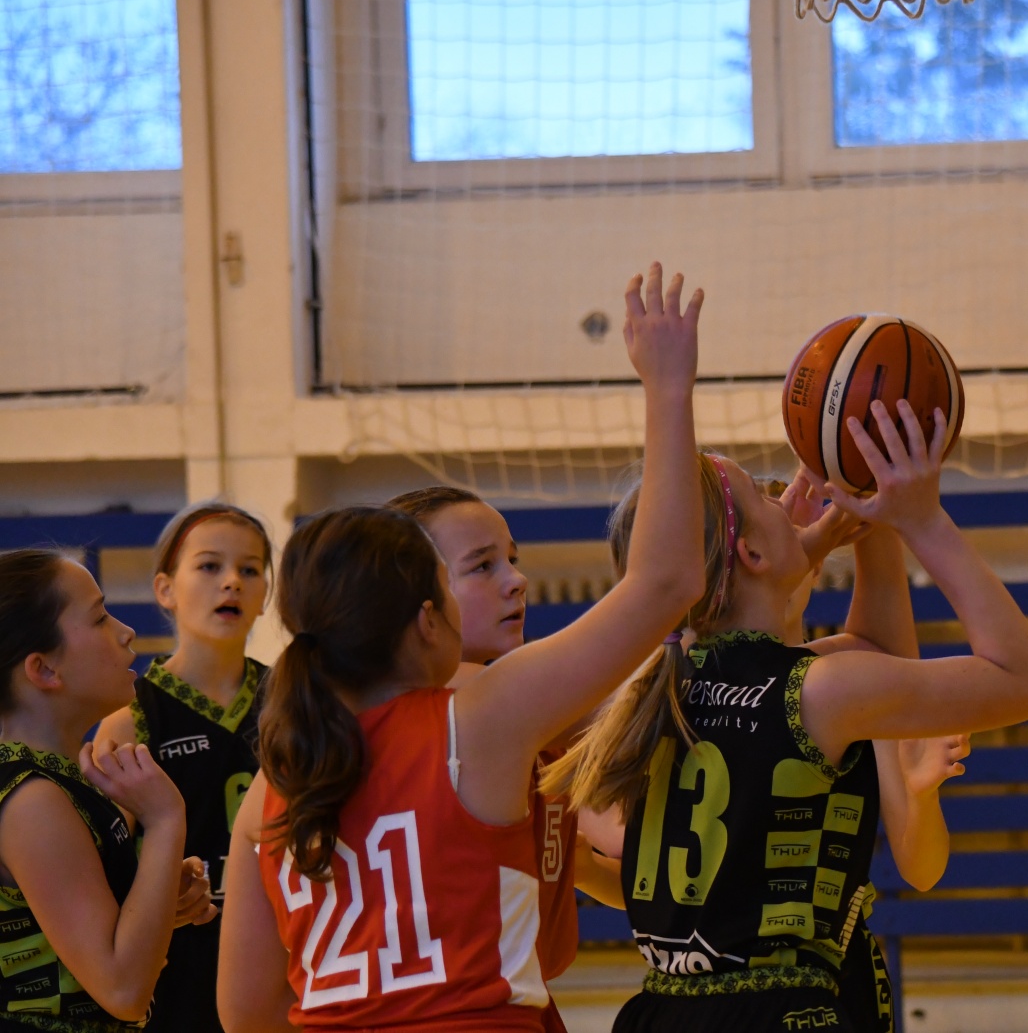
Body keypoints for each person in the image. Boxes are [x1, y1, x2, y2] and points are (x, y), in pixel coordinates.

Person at [216, 263, 706, 1033]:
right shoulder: (480, 715)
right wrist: (667, 388)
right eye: (472, 573)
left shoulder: (276, 780)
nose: (514, 582)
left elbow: (245, 1014)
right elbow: (666, 580)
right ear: (427, 620)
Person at [545, 399, 1028, 1032]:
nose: (789, 502)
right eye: (766, 501)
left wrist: (861, 525)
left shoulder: (654, 692)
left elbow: (873, 649)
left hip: (659, 1014)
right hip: (778, 1013)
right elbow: (1026, 680)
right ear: (751, 553)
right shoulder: (819, 691)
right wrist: (920, 520)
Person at [386, 484, 623, 1033]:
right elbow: (642, 702)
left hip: (518, 1003)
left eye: (512, 559)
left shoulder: (530, 719)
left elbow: (612, 845)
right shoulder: (475, 701)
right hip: (458, 1013)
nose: (516, 580)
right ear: (415, 597)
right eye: (482, 566)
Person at [765, 473, 969, 1033]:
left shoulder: (854, 681)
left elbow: (922, 871)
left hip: (839, 971)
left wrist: (922, 795)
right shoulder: (704, 684)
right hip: (741, 976)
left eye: (799, 535)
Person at [0, 549, 214, 1033]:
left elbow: (78, 945)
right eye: (99, 618)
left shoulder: (55, 780)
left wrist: (155, 899)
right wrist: (165, 821)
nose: (126, 631)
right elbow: (122, 989)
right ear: (44, 670)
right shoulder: (32, 798)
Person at [95, 502, 273, 1033]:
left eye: (249, 569)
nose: (232, 582)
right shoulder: (129, 719)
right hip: (177, 975)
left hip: (281, 954)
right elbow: (103, 878)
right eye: (210, 565)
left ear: (267, 593)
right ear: (165, 588)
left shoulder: (295, 702)